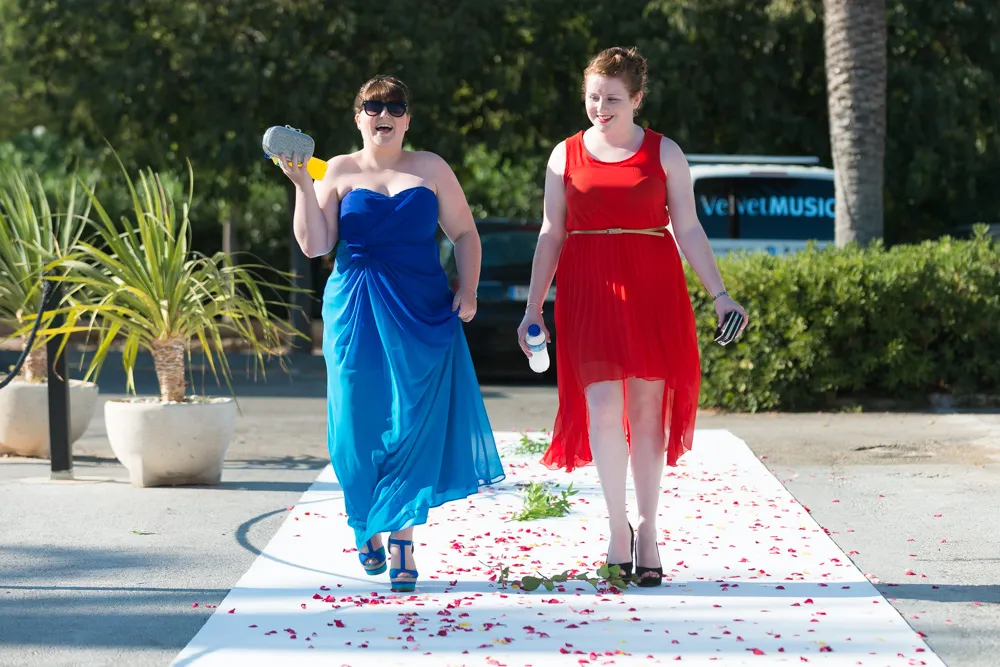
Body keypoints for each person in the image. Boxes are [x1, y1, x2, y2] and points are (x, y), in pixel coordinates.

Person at [516, 47, 748, 588]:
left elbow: (688, 227)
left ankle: (647, 529)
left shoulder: (666, 153)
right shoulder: (563, 155)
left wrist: (720, 294)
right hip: (588, 285)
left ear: (638, 98)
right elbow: (551, 233)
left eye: (613, 99)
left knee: (647, 411)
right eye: (593, 97)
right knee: (601, 406)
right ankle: (615, 526)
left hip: (651, 284)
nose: (600, 107)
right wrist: (532, 307)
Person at [277, 74, 506, 593]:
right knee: (353, 427)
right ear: (357, 116)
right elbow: (316, 245)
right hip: (355, 309)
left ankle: (400, 539)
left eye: (395, 106)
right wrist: (300, 187)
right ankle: (365, 521)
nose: (385, 114)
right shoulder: (336, 170)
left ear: (408, 117)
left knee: (410, 425)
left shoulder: (431, 168)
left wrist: (467, 290)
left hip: (422, 310)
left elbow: (465, 233)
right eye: (373, 106)